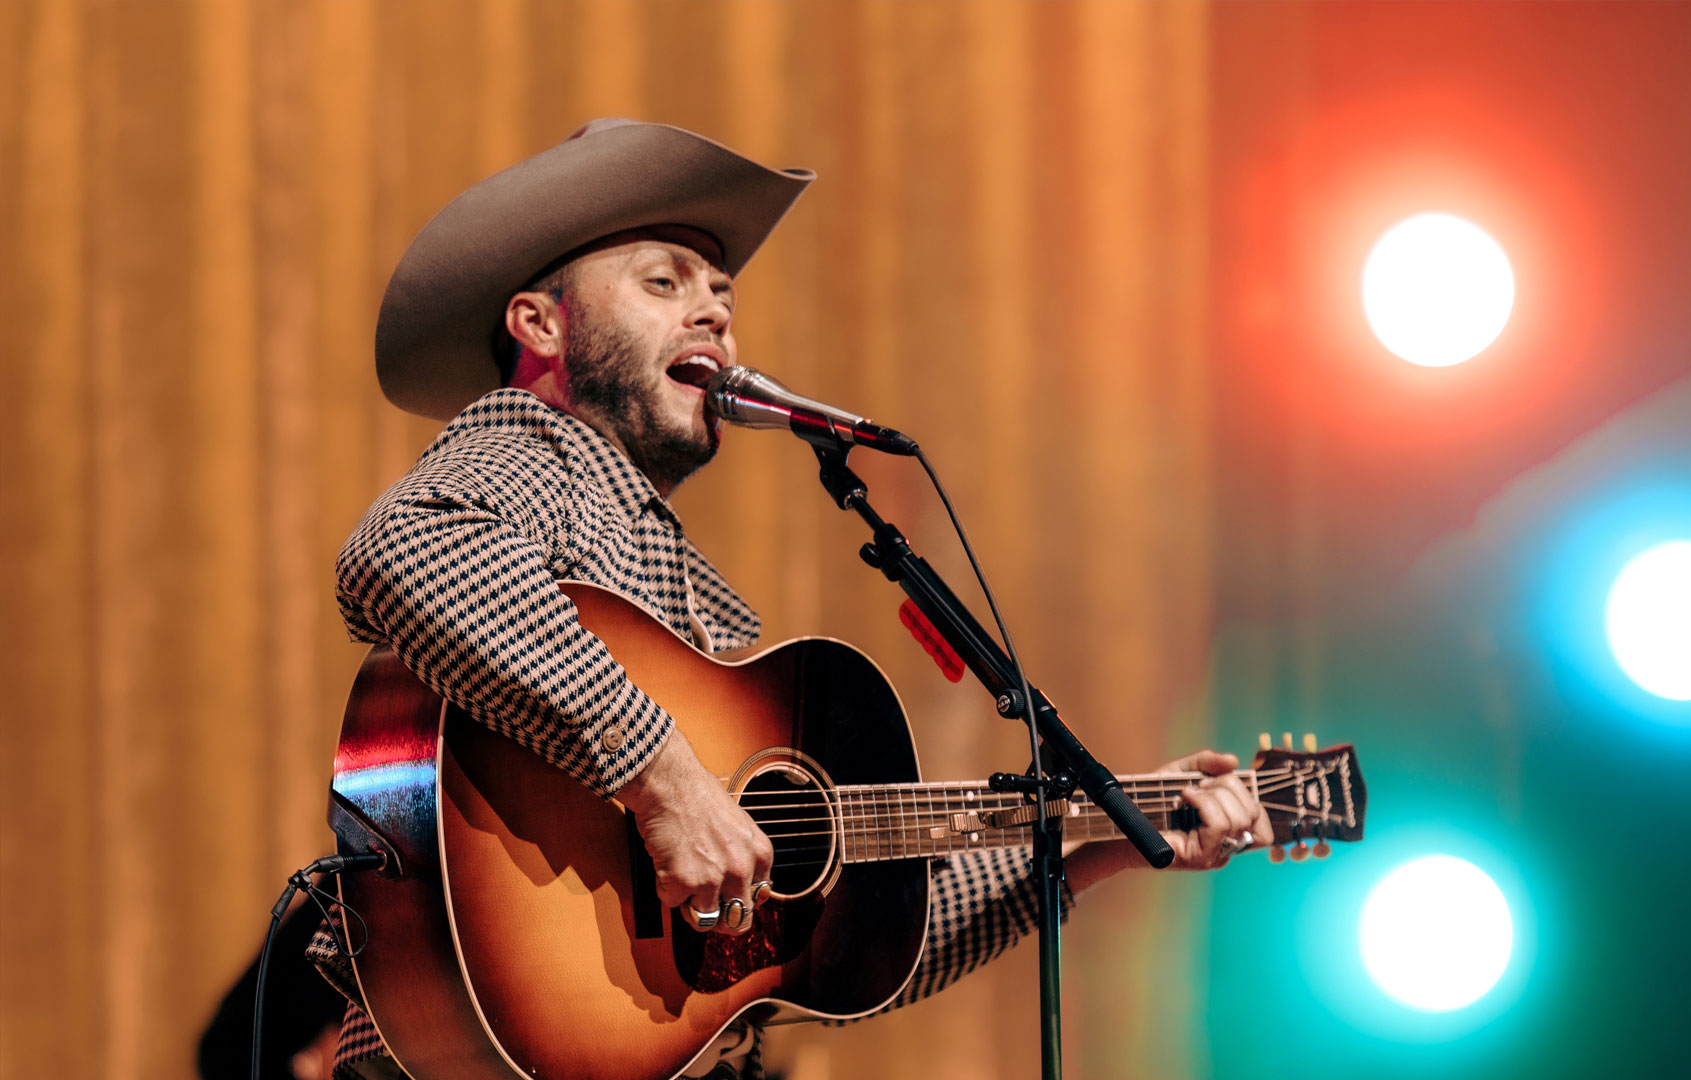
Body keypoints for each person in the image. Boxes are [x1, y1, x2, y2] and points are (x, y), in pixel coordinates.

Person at [305, 119, 1270, 1080]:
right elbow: (407, 549)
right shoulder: (532, 451)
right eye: (664, 281)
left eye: (723, 293)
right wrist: (665, 779)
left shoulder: (692, 609)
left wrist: (1104, 838)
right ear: (542, 325)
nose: (716, 313)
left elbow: (816, 956)